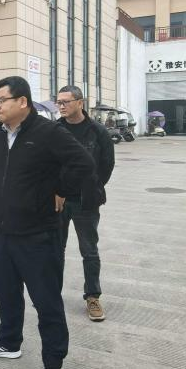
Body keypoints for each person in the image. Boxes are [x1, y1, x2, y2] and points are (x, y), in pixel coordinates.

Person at [0, 75, 93, 369]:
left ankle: (53, 364)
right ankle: (8, 341)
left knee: (46, 301)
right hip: (4, 229)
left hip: (39, 233)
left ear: (22, 102)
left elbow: (82, 163)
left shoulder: (48, 132)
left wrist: (61, 189)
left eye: (2, 100)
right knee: (5, 291)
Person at [54, 86, 115, 321]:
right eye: (59, 102)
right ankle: (52, 294)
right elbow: (46, 164)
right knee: (55, 250)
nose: (61, 106)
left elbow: (106, 165)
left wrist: (92, 187)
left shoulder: (98, 132)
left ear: (80, 103)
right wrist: (54, 191)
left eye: (66, 102)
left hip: (86, 202)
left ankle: (92, 297)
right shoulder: (54, 130)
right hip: (58, 202)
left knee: (89, 251)